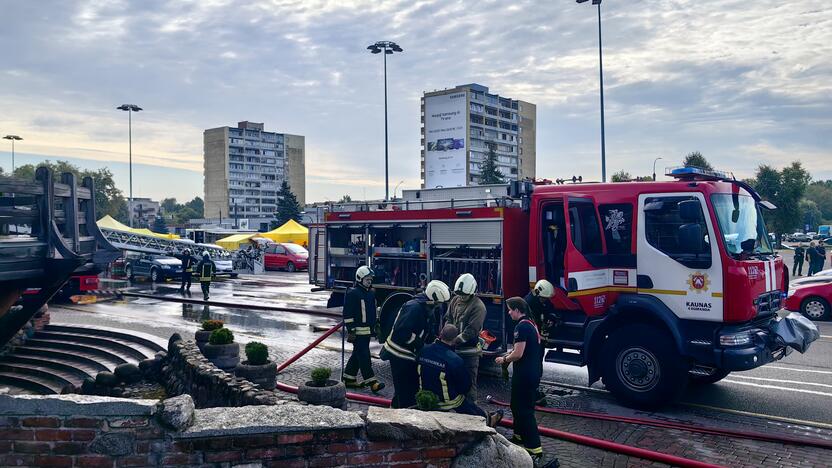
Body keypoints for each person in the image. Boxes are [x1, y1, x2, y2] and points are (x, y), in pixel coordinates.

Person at [496, 297, 556, 467]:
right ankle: (518, 436)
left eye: (510, 309)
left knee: (524, 410)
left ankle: (534, 448)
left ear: (517, 310)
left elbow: (518, 354)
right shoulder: (531, 323)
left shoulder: (521, 327)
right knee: (516, 405)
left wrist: (504, 359)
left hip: (524, 374)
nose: (509, 313)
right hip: (532, 372)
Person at [380, 280, 450, 409]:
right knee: (407, 392)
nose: (439, 306)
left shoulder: (426, 307)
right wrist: (421, 345)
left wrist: (434, 343)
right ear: (433, 298)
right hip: (399, 354)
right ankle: (402, 420)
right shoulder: (414, 308)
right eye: (439, 303)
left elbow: (427, 330)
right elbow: (402, 332)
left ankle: (394, 414)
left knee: (406, 390)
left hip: (407, 355)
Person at [418, 324, 503, 427]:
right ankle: (488, 420)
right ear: (454, 339)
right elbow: (465, 385)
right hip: (446, 402)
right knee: (467, 405)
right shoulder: (454, 360)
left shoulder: (424, 350)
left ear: (440, 334)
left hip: (424, 396)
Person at [342, 266, 385, 393]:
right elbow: (348, 314)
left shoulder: (370, 294)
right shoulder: (353, 293)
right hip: (358, 333)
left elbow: (372, 311)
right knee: (364, 356)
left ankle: (349, 378)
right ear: (359, 278)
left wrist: (376, 325)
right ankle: (372, 382)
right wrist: (351, 330)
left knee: (357, 355)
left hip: (367, 332)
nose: (369, 281)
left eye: (370, 279)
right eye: (367, 279)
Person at [444, 273, 486, 402]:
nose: (462, 297)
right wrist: (445, 335)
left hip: (469, 352)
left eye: (465, 295)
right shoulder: (455, 300)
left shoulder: (478, 307)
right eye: (459, 294)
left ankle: (472, 411)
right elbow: (448, 318)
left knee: (469, 383)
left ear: (472, 292)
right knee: (451, 381)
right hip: (453, 350)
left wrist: (453, 341)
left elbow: (471, 331)